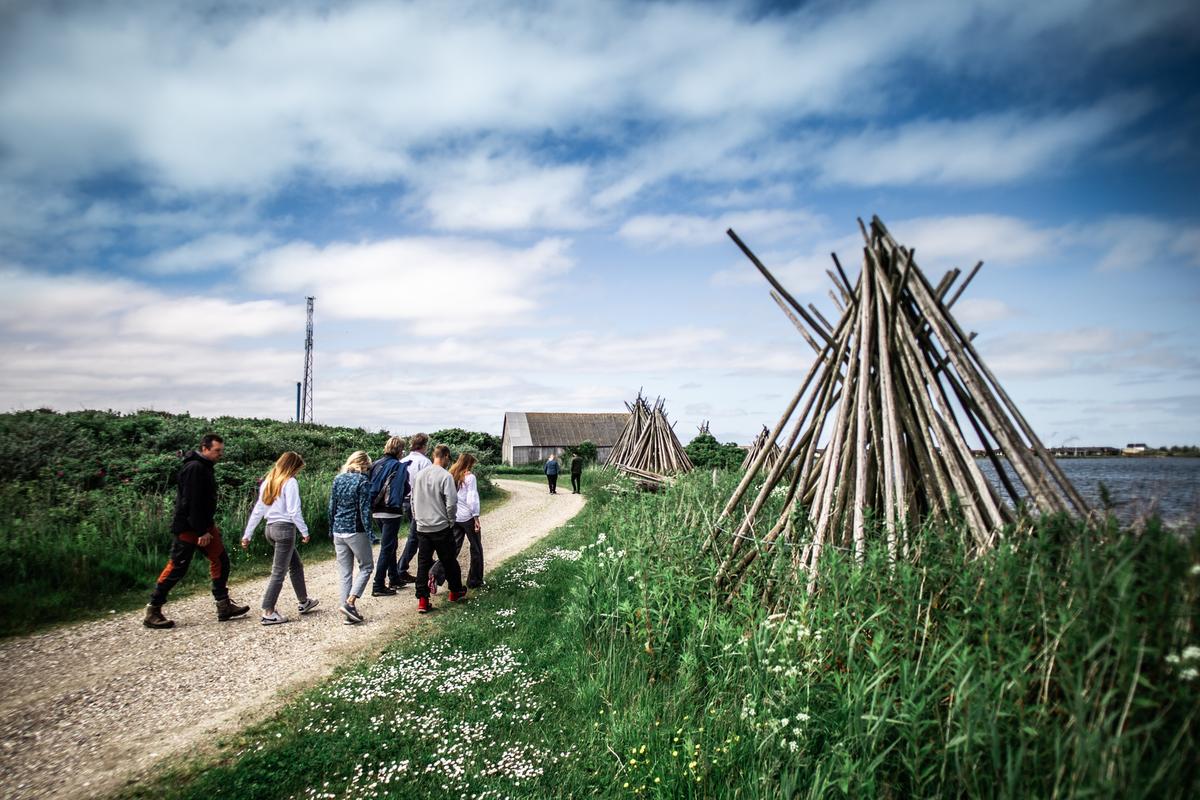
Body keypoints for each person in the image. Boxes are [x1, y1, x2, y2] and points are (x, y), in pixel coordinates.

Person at [144, 434, 250, 629]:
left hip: (204, 525)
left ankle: (223, 605)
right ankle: (153, 610)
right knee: (177, 567)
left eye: (221, 450)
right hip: (189, 527)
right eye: (217, 450)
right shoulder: (194, 468)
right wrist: (201, 531)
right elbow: (191, 502)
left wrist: (207, 526)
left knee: (221, 561)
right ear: (205, 448)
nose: (220, 454)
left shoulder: (204, 466)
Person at [241, 452, 319, 625]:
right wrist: (304, 531)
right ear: (292, 467)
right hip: (284, 530)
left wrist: (248, 534)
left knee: (295, 565)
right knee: (278, 572)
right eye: (297, 469)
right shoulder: (290, 482)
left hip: (270, 529)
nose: (298, 472)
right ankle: (268, 611)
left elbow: (258, 510)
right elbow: (293, 510)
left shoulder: (269, 482)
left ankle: (304, 601)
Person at [411, 444, 466, 613]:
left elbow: (413, 499)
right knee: (449, 560)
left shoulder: (419, 475)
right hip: (440, 525)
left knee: (423, 563)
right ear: (446, 456)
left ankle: (422, 599)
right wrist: (451, 520)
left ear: (434, 455)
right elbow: (451, 502)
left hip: (422, 526)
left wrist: (417, 517)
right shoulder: (445, 476)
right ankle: (455, 591)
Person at [328, 450, 374, 624]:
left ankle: (348, 612)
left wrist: (331, 527)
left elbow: (332, 506)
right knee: (367, 566)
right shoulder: (362, 481)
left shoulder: (338, 479)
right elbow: (364, 510)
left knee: (345, 573)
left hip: (338, 529)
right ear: (363, 464)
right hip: (355, 530)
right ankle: (350, 602)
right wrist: (370, 532)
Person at [431, 452, 483, 592]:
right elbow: (471, 498)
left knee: (452, 548)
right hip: (468, 516)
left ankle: (435, 573)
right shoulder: (470, 477)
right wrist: (476, 517)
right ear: (469, 464)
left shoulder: (451, 475)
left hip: (455, 516)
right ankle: (474, 580)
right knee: (476, 548)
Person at [367, 436, 411, 596]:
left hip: (376, 510)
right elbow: (405, 488)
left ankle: (394, 577)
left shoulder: (375, 464)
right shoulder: (398, 466)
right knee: (387, 547)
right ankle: (378, 584)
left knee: (391, 544)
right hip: (391, 511)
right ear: (399, 450)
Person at [394, 433, 432, 585]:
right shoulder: (425, 462)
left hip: (403, 500)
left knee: (417, 534)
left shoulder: (403, 461)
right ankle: (401, 568)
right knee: (416, 535)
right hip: (418, 501)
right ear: (424, 445)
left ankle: (426, 560)